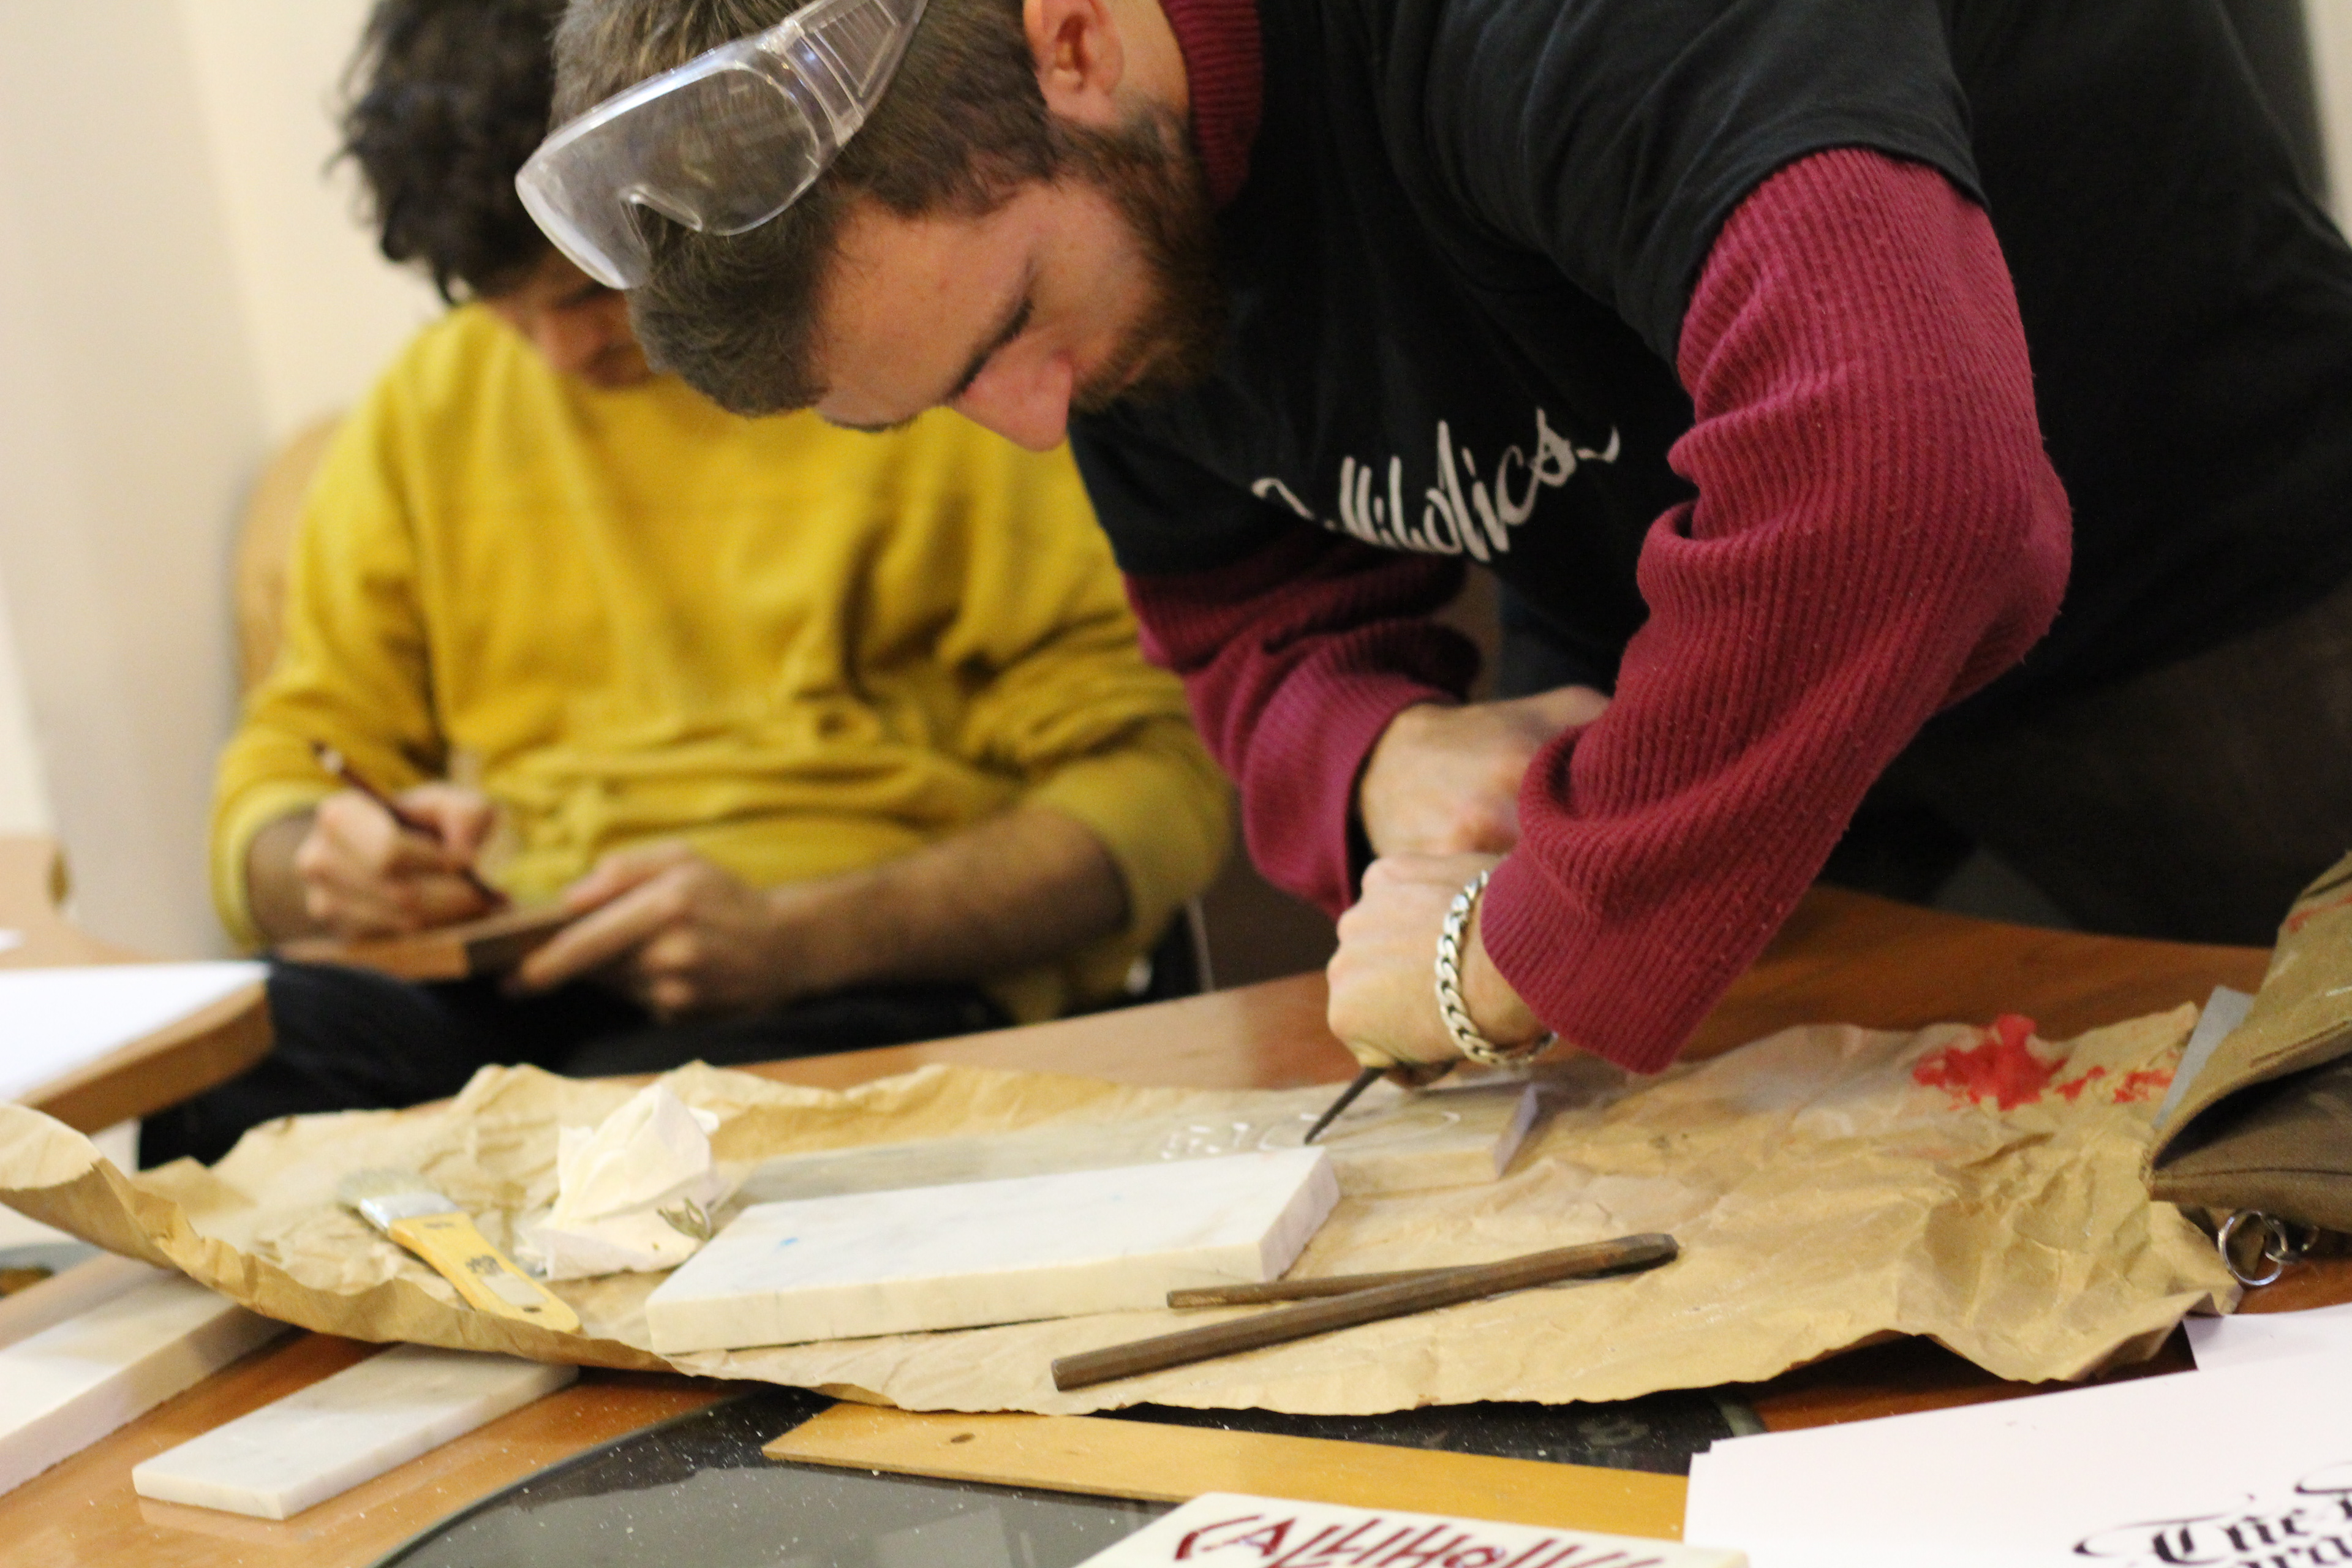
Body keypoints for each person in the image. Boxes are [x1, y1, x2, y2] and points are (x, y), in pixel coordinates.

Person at [538, 0, 2352, 1084]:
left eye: (1011, 326)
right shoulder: (1064, 210)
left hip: (2195, 590)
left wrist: (1541, 939)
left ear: (1072, 36)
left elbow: (1908, 482)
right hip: (1674, 659)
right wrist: (1381, 752)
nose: (1031, 419)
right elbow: (1238, 606)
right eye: (936, 400)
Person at [138, 0, 1229, 1168]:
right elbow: (286, 764)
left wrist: (807, 936)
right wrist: (325, 861)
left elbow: (1158, 783)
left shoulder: (926, 351)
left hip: (859, 980)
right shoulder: (430, 409)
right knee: (223, 1076)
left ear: (718, 178)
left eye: (586, 287)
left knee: (650, 1147)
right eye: (499, 310)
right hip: (528, 989)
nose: (558, 355)